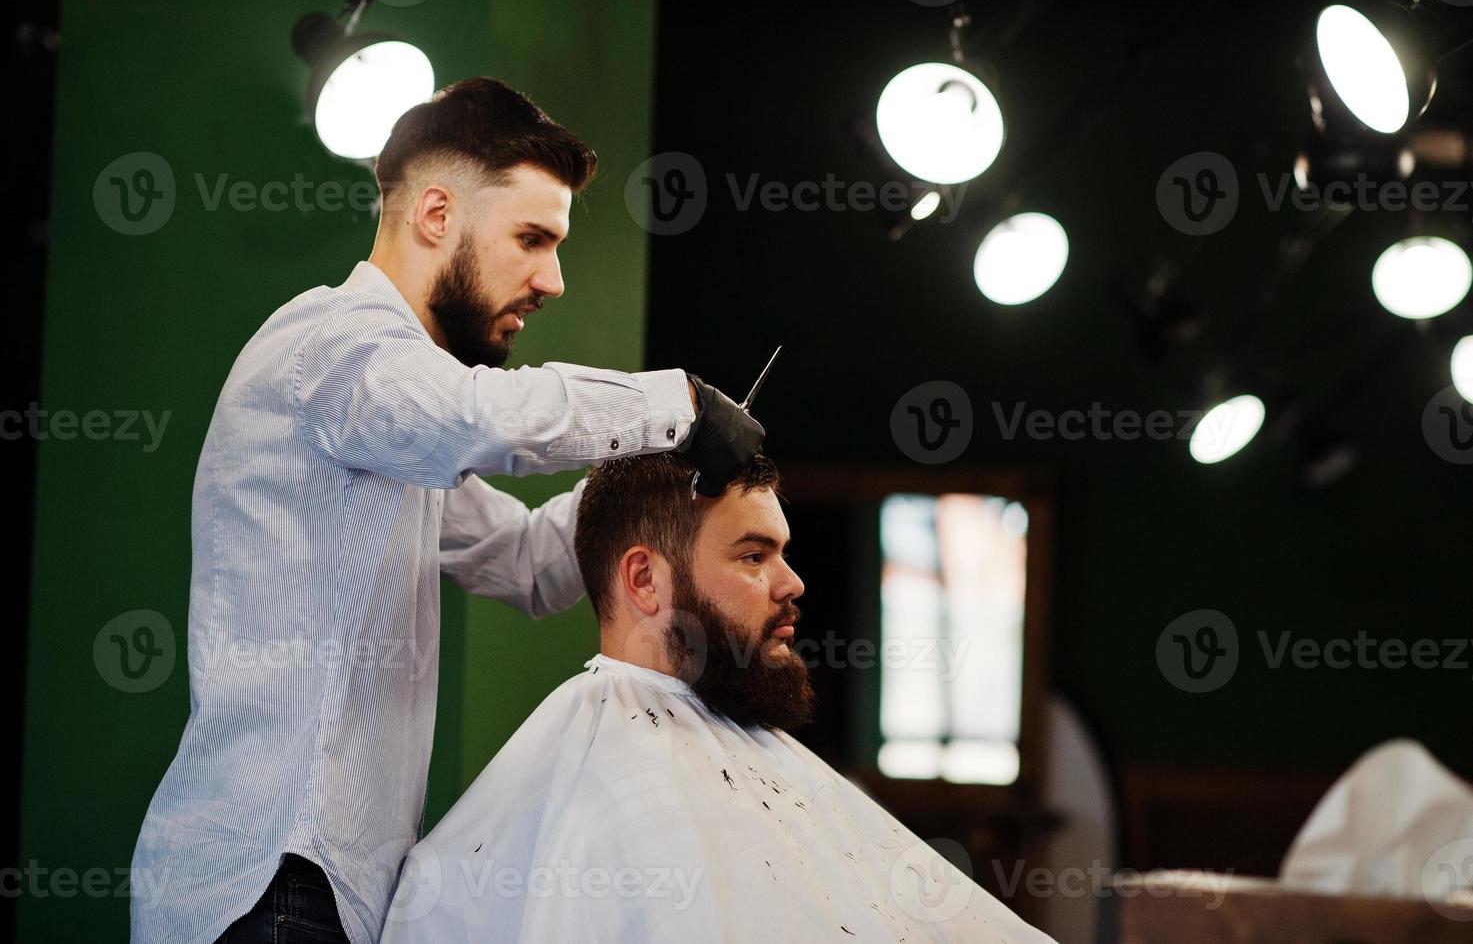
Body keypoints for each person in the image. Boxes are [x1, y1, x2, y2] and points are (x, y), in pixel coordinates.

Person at [130, 78, 764, 944]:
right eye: (532, 239)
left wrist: (654, 477)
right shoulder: (335, 347)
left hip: (327, 894)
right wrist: (681, 406)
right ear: (436, 214)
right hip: (270, 883)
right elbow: (477, 416)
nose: (554, 280)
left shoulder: (391, 423)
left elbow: (527, 563)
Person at [380, 452, 1057, 944]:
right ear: (644, 581)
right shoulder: (600, 797)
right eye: (753, 556)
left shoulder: (749, 756)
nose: (792, 583)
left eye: (782, 554)